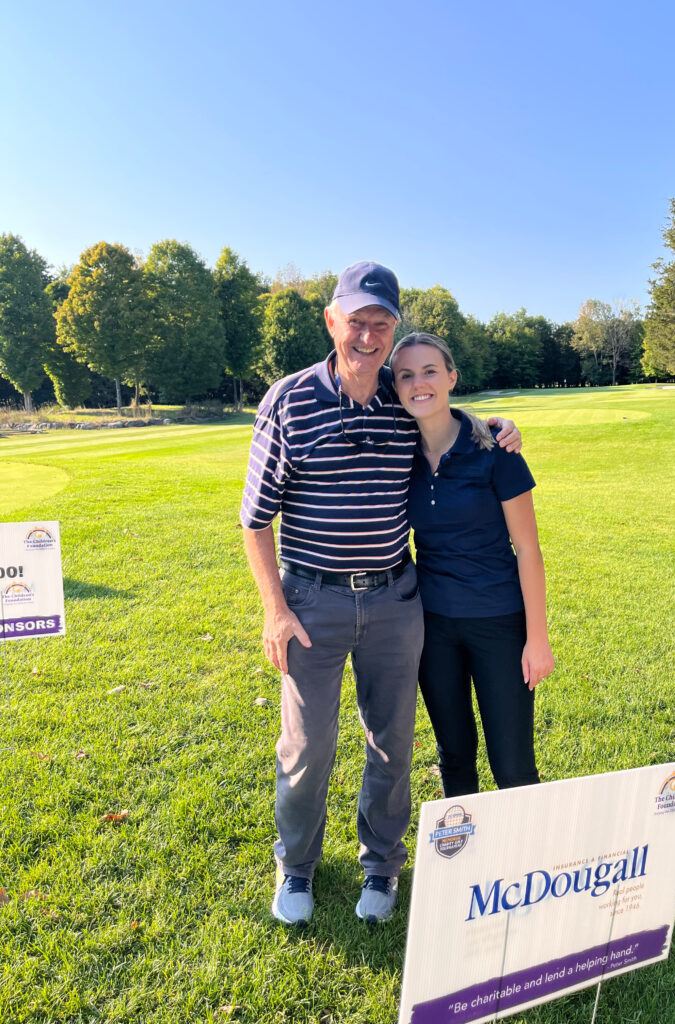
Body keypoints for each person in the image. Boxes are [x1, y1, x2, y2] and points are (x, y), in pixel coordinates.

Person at [240, 262, 521, 926]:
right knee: (308, 748)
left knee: (392, 743)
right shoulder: (289, 399)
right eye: (357, 321)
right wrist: (274, 611)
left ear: (393, 333)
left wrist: (495, 423)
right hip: (312, 603)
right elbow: (255, 520)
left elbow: (446, 415)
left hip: (396, 601)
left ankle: (381, 868)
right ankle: (298, 867)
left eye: (381, 324)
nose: (368, 336)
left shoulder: (401, 396)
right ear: (333, 321)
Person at [390, 332, 555, 797]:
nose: (419, 383)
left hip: (499, 623)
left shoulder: (495, 450)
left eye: (430, 372)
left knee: (514, 766)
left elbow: (528, 549)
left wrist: (537, 638)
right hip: (433, 626)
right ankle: (466, 866)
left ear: (451, 378)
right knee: (455, 756)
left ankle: (524, 864)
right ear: (397, 388)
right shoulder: (400, 453)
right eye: (406, 375)